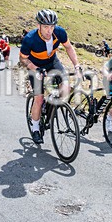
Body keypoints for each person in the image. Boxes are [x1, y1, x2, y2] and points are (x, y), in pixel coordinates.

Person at [20, 9, 84, 144]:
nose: (49, 30)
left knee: (65, 88)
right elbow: (23, 60)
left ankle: (50, 101)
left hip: (52, 62)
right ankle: (35, 127)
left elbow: (69, 47)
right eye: (45, 27)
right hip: (35, 65)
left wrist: (77, 66)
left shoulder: (59, 32)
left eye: (51, 27)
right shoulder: (30, 39)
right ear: (38, 26)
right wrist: (36, 69)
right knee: (38, 99)